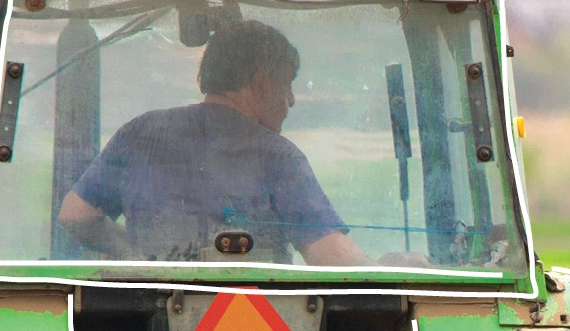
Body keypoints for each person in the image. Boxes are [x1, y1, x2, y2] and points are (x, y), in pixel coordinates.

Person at [56, 20, 372, 266]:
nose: (291, 100)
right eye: (286, 85)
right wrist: (391, 269)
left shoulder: (139, 133)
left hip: (148, 315)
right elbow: (330, 255)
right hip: (254, 320)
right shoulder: (275, 155)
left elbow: (75, 216)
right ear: (261, 85)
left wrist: (140, 254)